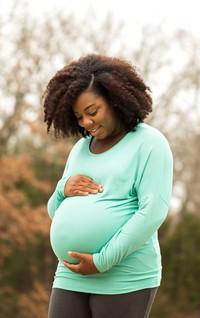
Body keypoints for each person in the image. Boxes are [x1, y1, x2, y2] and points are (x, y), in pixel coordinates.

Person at [43, 54, 173, 318]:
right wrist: (62, 189)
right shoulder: (80, 149)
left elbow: (152, 213)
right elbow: (55, 211)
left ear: (115, 100)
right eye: (79, 117)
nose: (86, 123)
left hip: (124, 277)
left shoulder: (149, 143)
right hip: (70, 275)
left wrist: (103, 261)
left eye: (92, 112)